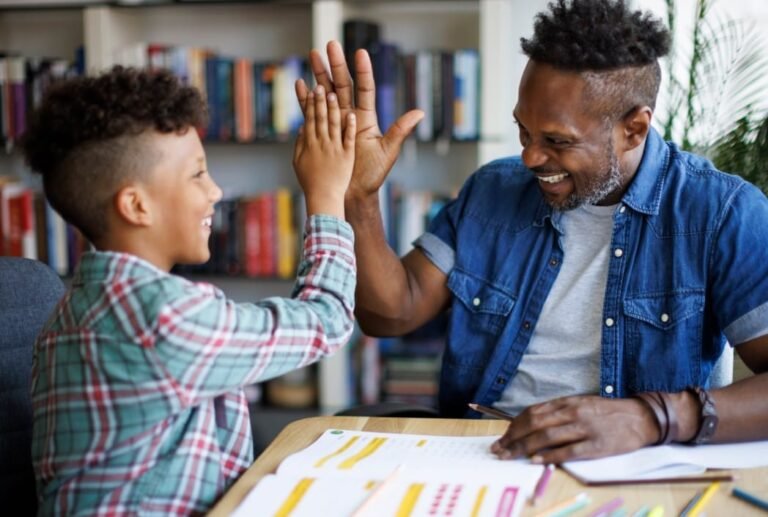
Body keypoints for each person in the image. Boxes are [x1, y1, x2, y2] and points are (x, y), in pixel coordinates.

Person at [296, 0, 768, 464]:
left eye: (557, 142)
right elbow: (390, 314)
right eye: (524, 132)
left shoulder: (722, 213)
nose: (530, 158)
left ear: (634, 129)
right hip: (482, 456)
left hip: (634, 466)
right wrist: (357, 197)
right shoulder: (493, 190)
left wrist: (649, 418)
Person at [22, 67, 357, 515]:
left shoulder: (70, 313)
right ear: (136, 205)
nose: (215, 191)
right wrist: (328, 194)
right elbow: (328, 319)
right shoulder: (162, 317)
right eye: (198, 174)